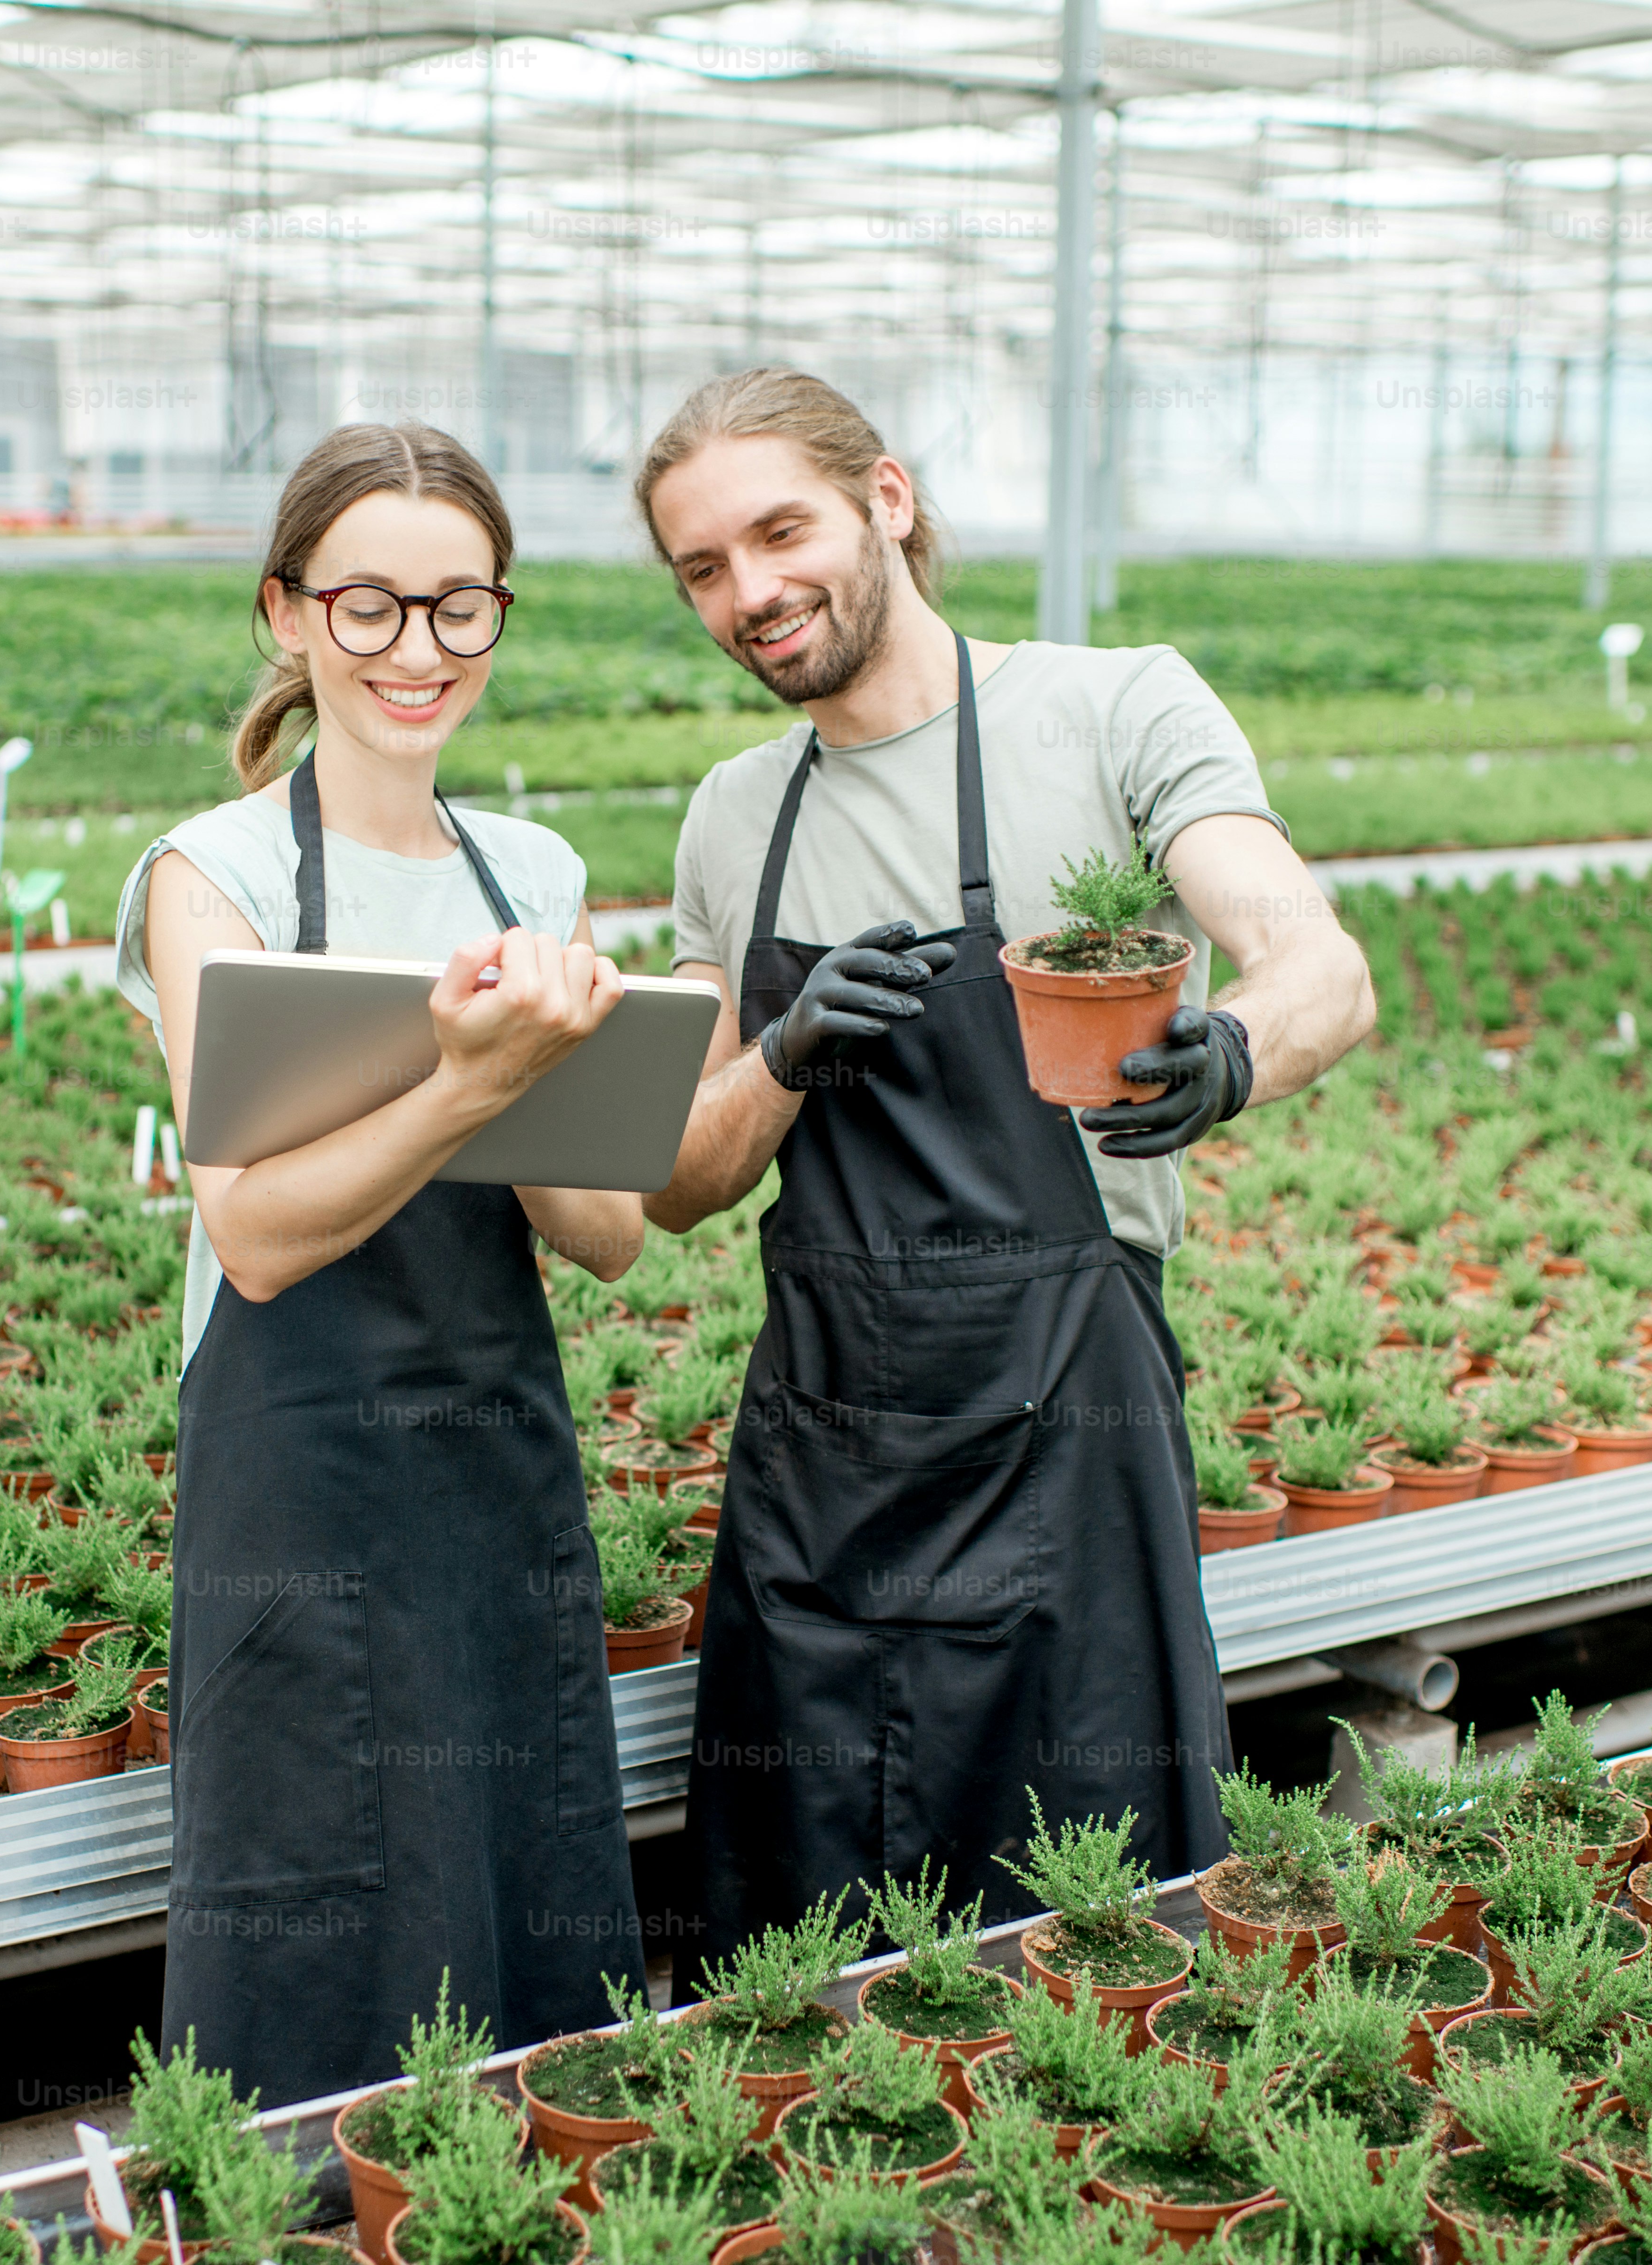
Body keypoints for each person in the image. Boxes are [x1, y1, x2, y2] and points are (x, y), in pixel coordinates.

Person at [633, 368, 1377, 1954]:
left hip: (1067, 1423)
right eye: (704, 566)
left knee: (1086, 1919)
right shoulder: (734, 818)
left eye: (782, 533)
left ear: (886, 501)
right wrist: (782, 1053)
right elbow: (677, 1179)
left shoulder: (1113, 709)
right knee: (806, 1928)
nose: (751, 592)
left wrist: (1235, 1048)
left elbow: (1320, 963)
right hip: (826, 1452)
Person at [113, 422, 650, 2102]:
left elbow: (609, 1234)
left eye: (458, 609)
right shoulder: (219, 876)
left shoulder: (536, 877)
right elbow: (257, 1232)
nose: (418, 651)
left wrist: (563, 1074)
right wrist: (474, 1080)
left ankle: (528, 2174)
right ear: (289, 614)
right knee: (310, 1847)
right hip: (300, 1462)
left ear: (499, 619)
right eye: (370, 608)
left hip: (493, 1452)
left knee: (517, 1838)